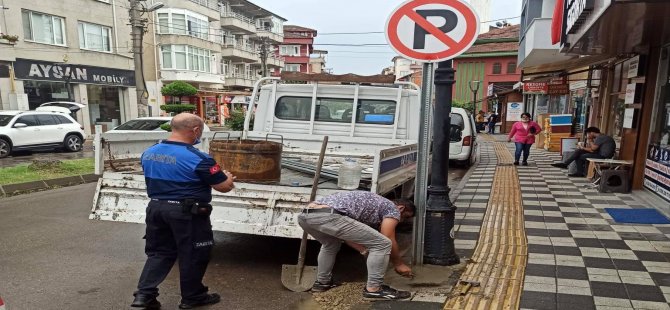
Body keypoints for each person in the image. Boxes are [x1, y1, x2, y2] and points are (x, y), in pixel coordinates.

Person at [131, 113, 236, 309]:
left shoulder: (149, 152)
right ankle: (193, 297)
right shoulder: (200, 158)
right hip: (187, 213)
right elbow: (223, 186)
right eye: (201, 131)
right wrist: (228, 178)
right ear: (195, 130)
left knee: (159, 253)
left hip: (156, 208)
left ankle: (144, 296)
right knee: (194, 253)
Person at [297, 191, 416, 300]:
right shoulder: (392, 208)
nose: (401, 221)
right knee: (383, 243)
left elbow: (346, 234)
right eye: (405, 217)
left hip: (305, 215)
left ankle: (322, 283)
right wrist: (398, 263)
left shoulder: (372, 203)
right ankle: (374, 289)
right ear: (401, 208)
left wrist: (363, 250)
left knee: (331, 244)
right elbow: (387, 237)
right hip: (330, 215)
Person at [551, 127, 616, 177]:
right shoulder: (601, 137)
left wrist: (589, 139)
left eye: (588, 134)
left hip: (603, 156)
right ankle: (567, 164)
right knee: (579, 151)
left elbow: (593, 149)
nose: (587, 135)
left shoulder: (600, 137)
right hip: (600, 154)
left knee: (580, 155)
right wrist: (583, 148)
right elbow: (593, 149)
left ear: (592, 132)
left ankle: (574, 169)